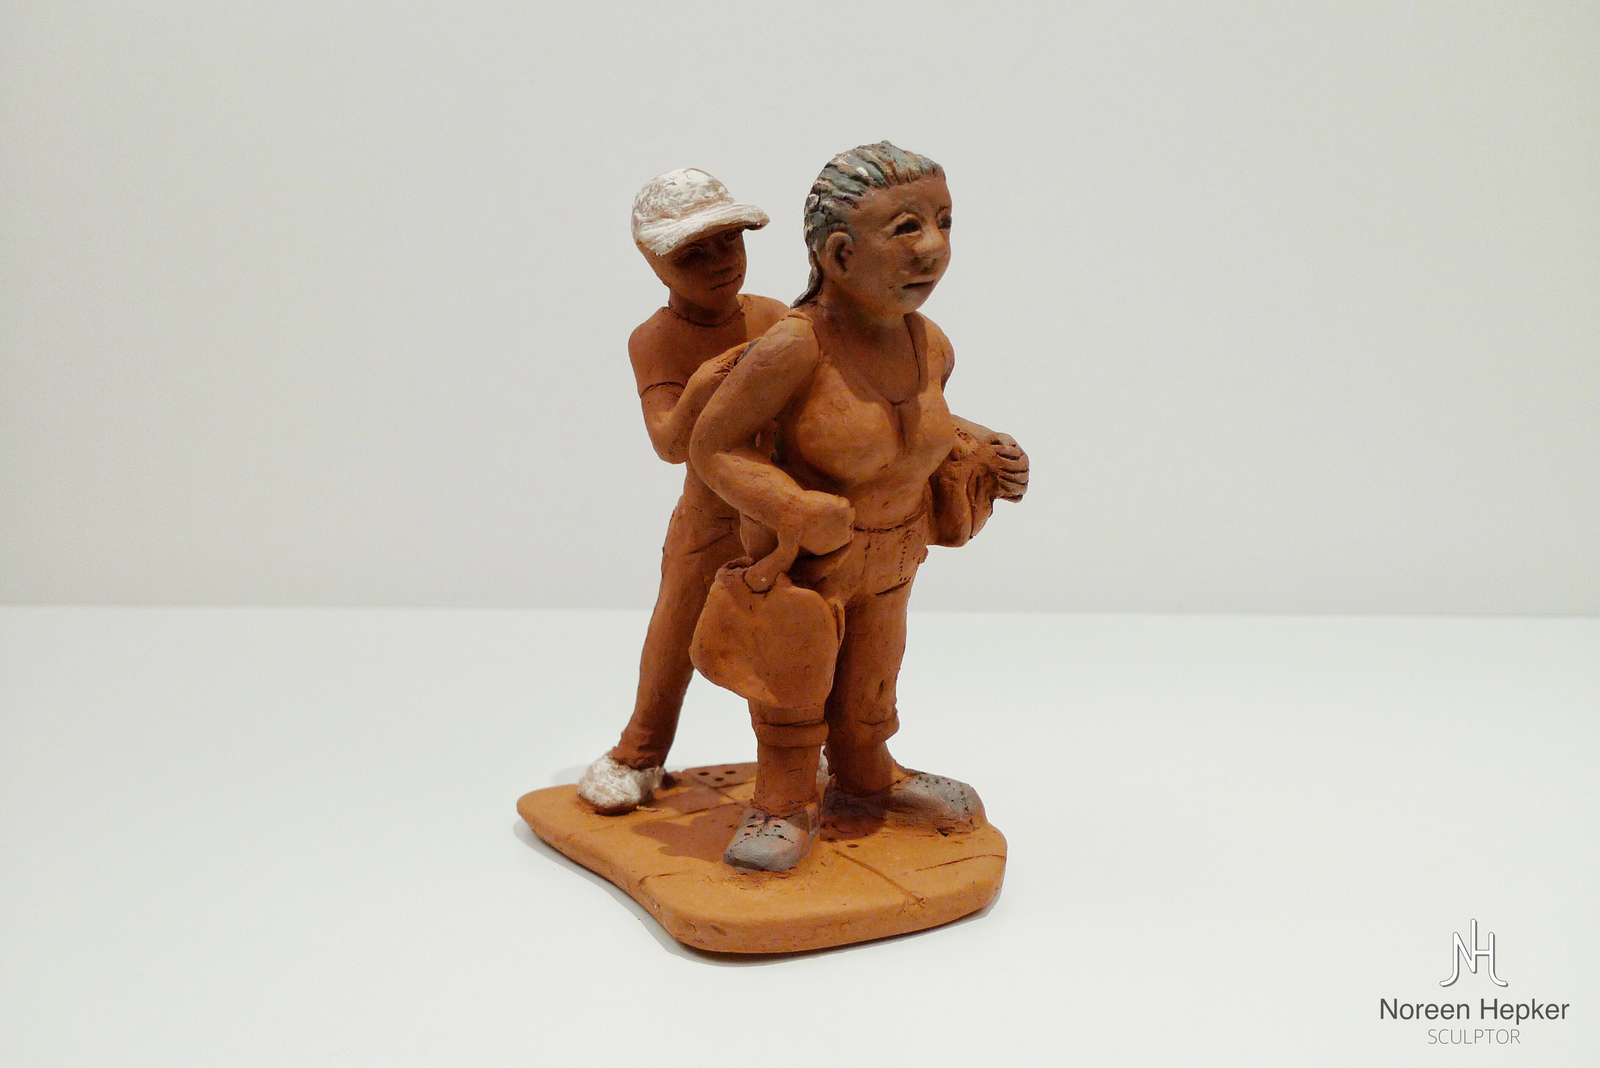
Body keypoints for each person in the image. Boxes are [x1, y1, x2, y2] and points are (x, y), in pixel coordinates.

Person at [689, 142, 1029, 871]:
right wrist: (788, 503)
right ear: (840, 254)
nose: (933, 247)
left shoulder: (929, 343)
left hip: (897, 549)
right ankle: (783, 797)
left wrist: (983, 448)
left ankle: (867, 776)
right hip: (810, 564)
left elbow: (920, 426)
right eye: (906, 228)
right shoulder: (794, 348)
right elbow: (712, 447)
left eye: (943, 221)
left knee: (874, 674)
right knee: (795, 680)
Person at [576, 169, 789, 814]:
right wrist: (710, 380)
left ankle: (814, 755)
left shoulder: (775, 316)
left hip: (785, 509)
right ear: (654, 261)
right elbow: (669, 442)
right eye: (693, 253)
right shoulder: (657, 339)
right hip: (711, 516)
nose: (721, 262)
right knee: (677, 630)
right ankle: (640, 751)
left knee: (798, 631)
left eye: (730, 241)